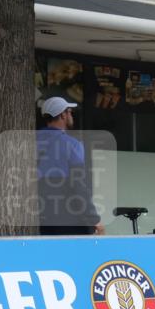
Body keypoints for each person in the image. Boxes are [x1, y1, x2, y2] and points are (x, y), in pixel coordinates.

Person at [37, 97, 103, 236]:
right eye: (70, 112)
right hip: (69, 220)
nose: (71, 115)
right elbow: (78, 184)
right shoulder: (71, 144)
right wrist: (94, 219)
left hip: (38, 219)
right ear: (62, 115)